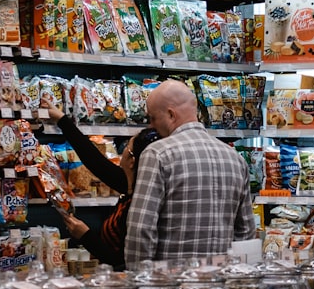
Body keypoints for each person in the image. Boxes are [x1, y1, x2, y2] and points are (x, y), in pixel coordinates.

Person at [124, 78, 256, 267]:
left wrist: (139, 281)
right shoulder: (235, 159)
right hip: (220, 285)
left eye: (152, 118)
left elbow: (141, 230)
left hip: (171, 287)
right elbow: (245, 233)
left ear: (170, 115)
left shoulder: (157, 154)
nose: (151, 126)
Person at [44, 101, 158, 270]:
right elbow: (96, 163)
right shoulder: (132, 184)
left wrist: (85, 235)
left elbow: (121, 259)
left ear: (132, 161)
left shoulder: (139, 205)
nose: (124, 150)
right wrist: (62, 120)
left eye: (128, 147)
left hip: (126, 283)